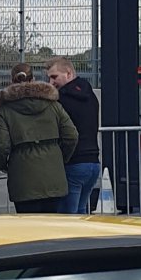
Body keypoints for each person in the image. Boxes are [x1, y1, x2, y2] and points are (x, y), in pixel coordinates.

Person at [0, 62, 77, 214]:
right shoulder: (53, 105)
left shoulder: (6, 110)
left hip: (22, 180)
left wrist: (3, 165)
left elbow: (1, 145)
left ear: (12, 81)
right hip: (53, 177)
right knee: (53, 229)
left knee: (28, 230)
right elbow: (71, 135)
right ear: (34, 79)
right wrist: (59, 157)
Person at [45, 56, 100, 214]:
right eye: (49, 77)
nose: (51, 82)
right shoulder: (90, 95)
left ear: (68, 73)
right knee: (80, 213)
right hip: (93, 162)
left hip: (74, 163)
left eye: (54, 77)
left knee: (66, 218)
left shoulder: (61, 100)